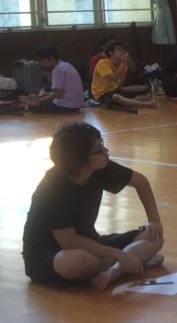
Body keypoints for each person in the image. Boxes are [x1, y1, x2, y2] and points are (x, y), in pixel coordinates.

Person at [22, 121, 165, 288]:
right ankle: (130, 261)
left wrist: (154, 221)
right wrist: (119, 255)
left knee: (154, 237)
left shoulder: (100, 168)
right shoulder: (54, 186)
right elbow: (68, 241)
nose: (106, 151)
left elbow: (141, 182)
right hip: (51, 254)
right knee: (75, 260)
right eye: (98, 149)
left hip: (91, 242)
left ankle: (112, 272)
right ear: (79, 159)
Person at [91, 42, 155, 112]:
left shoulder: (123, 65)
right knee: (116, 97)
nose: (122, 52)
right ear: (111, 52)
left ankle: (131, 102)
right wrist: (123, 63)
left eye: (123, 50)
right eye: (119, 49)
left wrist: (127, 61)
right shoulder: (102, 63)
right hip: (102, 95)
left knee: (144, 90)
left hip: (116, 90)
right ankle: (146, 104)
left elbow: (133, 70)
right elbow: (114, 78)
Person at [20, 45, 84, 114]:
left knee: (32, 106)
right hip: (76, 105)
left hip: (67, 106)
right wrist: (42, 96)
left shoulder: (57, 70)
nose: (41, 64)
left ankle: (28, 102)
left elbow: (58, 95)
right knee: (45, 93)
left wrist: (38, 100)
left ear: (51, 58)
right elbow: (61, 92)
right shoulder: (66, 65)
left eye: (43, 61)